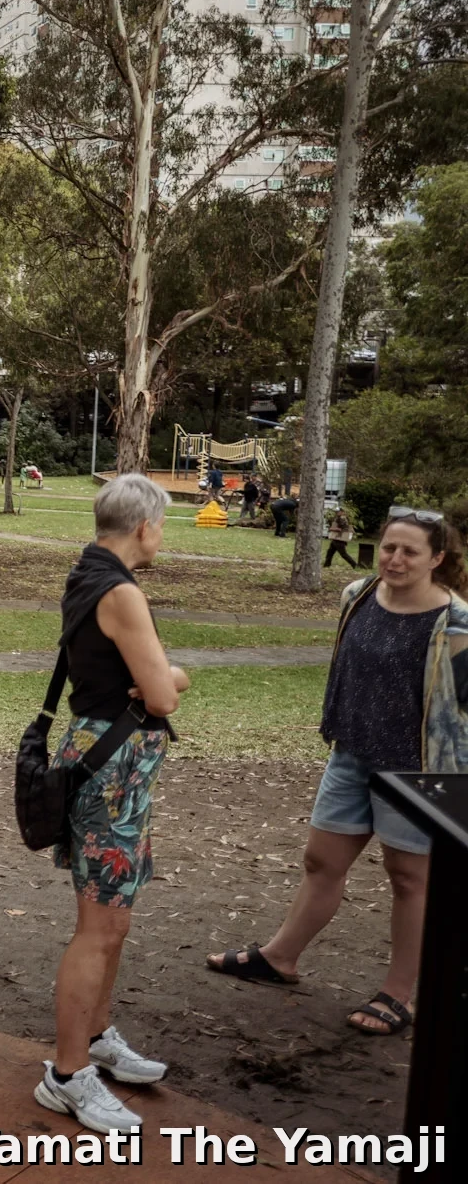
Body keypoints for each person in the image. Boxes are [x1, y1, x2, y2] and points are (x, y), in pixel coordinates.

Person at [206, 508, 467, 1037]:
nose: (394, 559)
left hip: (419, 769)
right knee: (321, 861)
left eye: (409, 551)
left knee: (410, 879)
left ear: (437, 559)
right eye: (389, 547)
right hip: (351, 755)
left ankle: (398, 994)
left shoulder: (457, 623)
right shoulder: (358, 596)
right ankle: (280, 958)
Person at [34, 473, 188, 1133]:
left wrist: (149, 677)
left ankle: (95, 1036)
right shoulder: (119, 589)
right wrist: (174, 671)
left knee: (112, 921)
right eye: (161, 525)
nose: (162, 536)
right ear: (145, 526)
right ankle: (67, 1075)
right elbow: (162, 695)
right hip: (111, 773)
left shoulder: (89, 571)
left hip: (113, 768)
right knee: (98, 929)